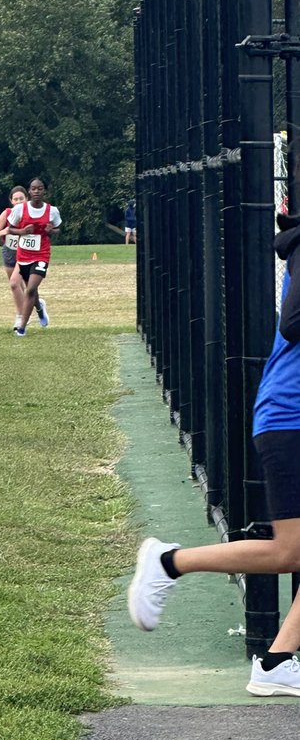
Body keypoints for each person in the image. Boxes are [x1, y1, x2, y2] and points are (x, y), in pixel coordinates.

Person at [128, 211, 300, 696]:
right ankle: (168, 563)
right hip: (290, 418)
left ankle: (276, 664)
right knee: (290, 551)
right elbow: (293, 322)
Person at [6, 178, 59, 337]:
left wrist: (51, 231)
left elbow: (58, 229)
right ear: (29, 191)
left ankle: (22, 327)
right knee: (31, 290)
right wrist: (22, 232)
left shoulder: (52, 211)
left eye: (40, 189)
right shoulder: (20, 209)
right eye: (34, 189)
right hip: (23, 256)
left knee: (30, 289)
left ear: (44, 191)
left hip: (42, 254)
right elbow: (10, 229)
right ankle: (40, 308)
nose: (36, 191)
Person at [0, 185, 29, 332]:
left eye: (21, 198)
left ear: (27, 199)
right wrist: (6, 230)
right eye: (16, 199)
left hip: (24, 254)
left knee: (15, 284)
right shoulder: (6, 214)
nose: (19, 201)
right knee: (18, 288)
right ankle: (34, 305)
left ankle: (21, 317)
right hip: (9, 252)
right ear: (11, 201)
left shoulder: (30, 215)